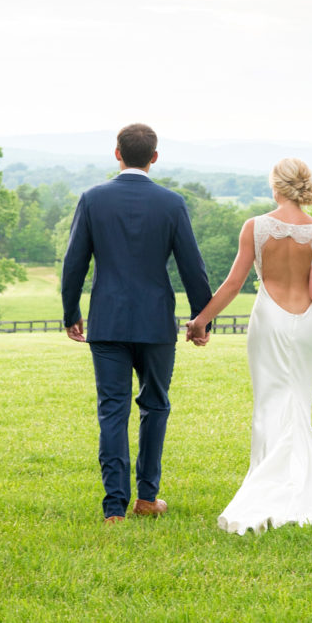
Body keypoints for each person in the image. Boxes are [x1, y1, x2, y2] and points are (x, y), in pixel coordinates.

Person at [62, 123, 212, 524]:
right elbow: (192, 266)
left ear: (117, 153)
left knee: (112, 411)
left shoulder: (92, 199)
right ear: (154, 157)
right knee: (155, 405)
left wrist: (71, 312)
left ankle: (114, 509)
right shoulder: (172, 203)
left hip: (108, 321)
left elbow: (74, 262)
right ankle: (147, 498)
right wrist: (202, 319)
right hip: (155, 322)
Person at [186, 158, 312, 535]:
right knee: (298, 401)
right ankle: (298, 485)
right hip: (307, 325)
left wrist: (201, 320)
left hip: (269, 321)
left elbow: (233, 283)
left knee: (269, 401)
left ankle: (267, 480)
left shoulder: (255, 227)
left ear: (276, 186)